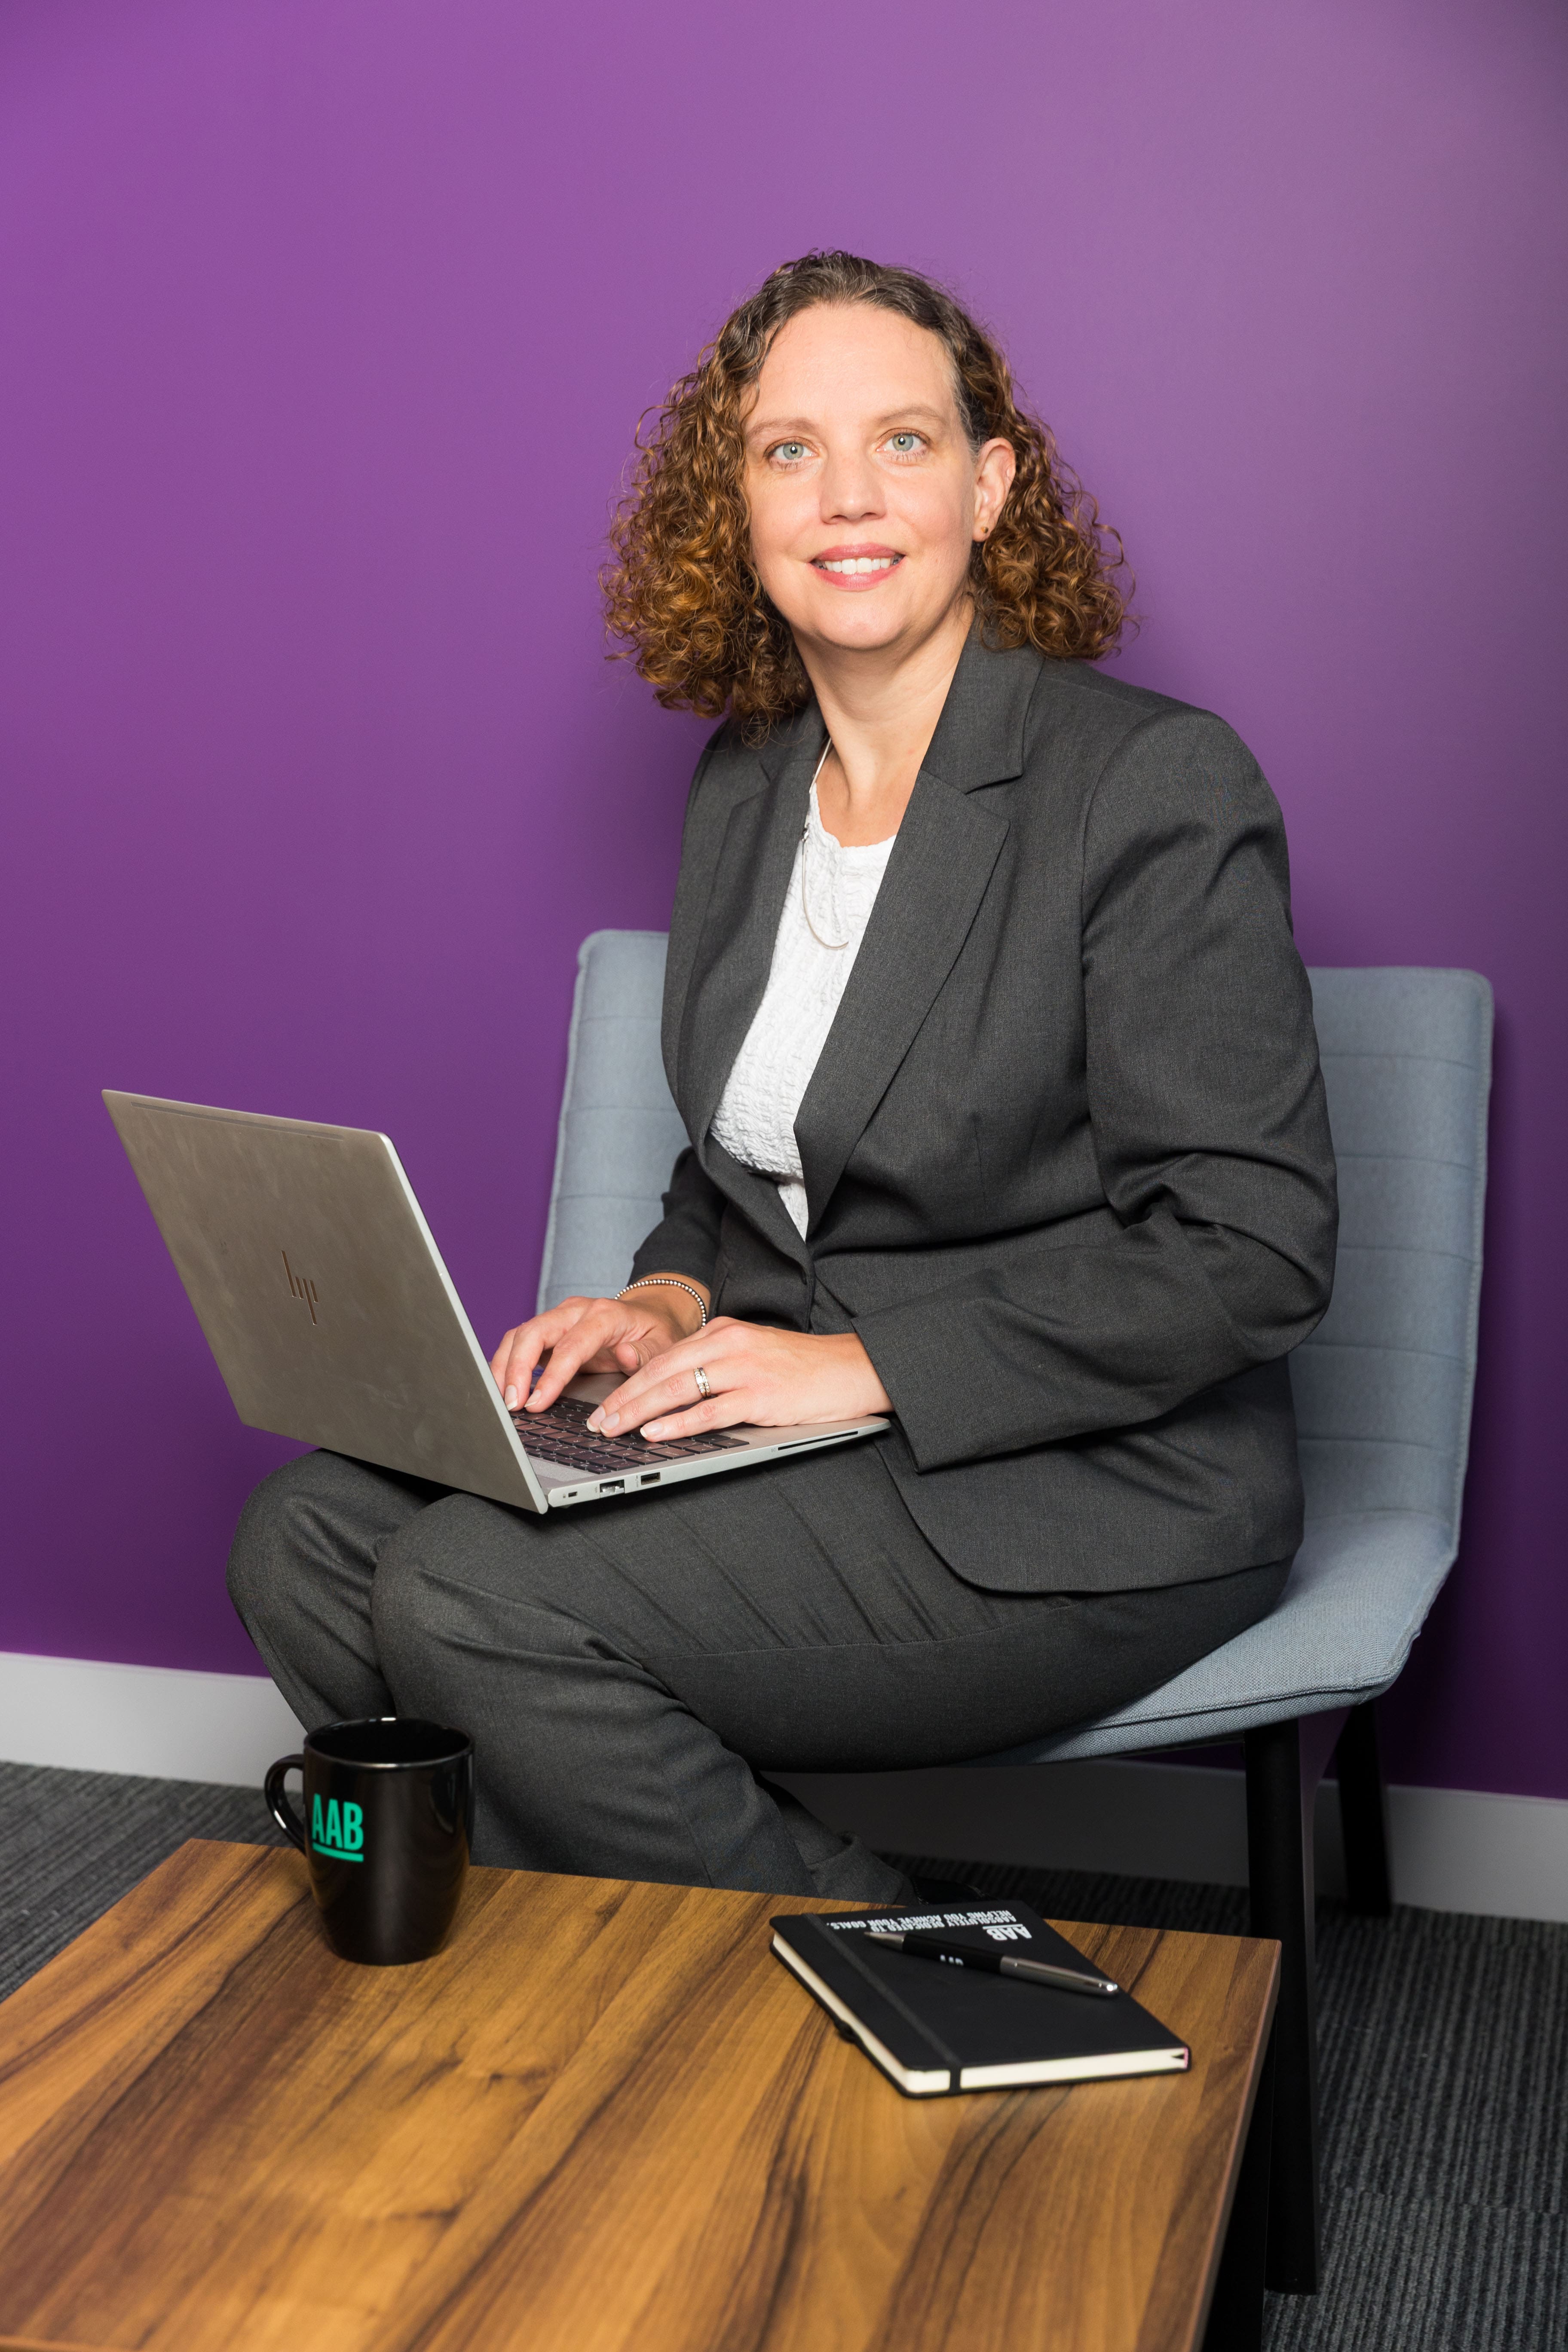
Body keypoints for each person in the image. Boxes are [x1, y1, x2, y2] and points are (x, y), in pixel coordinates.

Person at [229, 251, 1337, 1902]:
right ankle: (597, 1985)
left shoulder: (1149, 785)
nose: (847, 495)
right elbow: (742, 1158)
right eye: (788, 450)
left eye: (903, 440)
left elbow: (1251, 1251)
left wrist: (867, 1364)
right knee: (307, 1547)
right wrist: (669, 1300)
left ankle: (916, 1984)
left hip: (1087, 1487)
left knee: (473, 1593)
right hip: (798, 1438)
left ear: (990, 484)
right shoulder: (746, 786)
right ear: (734, 507)